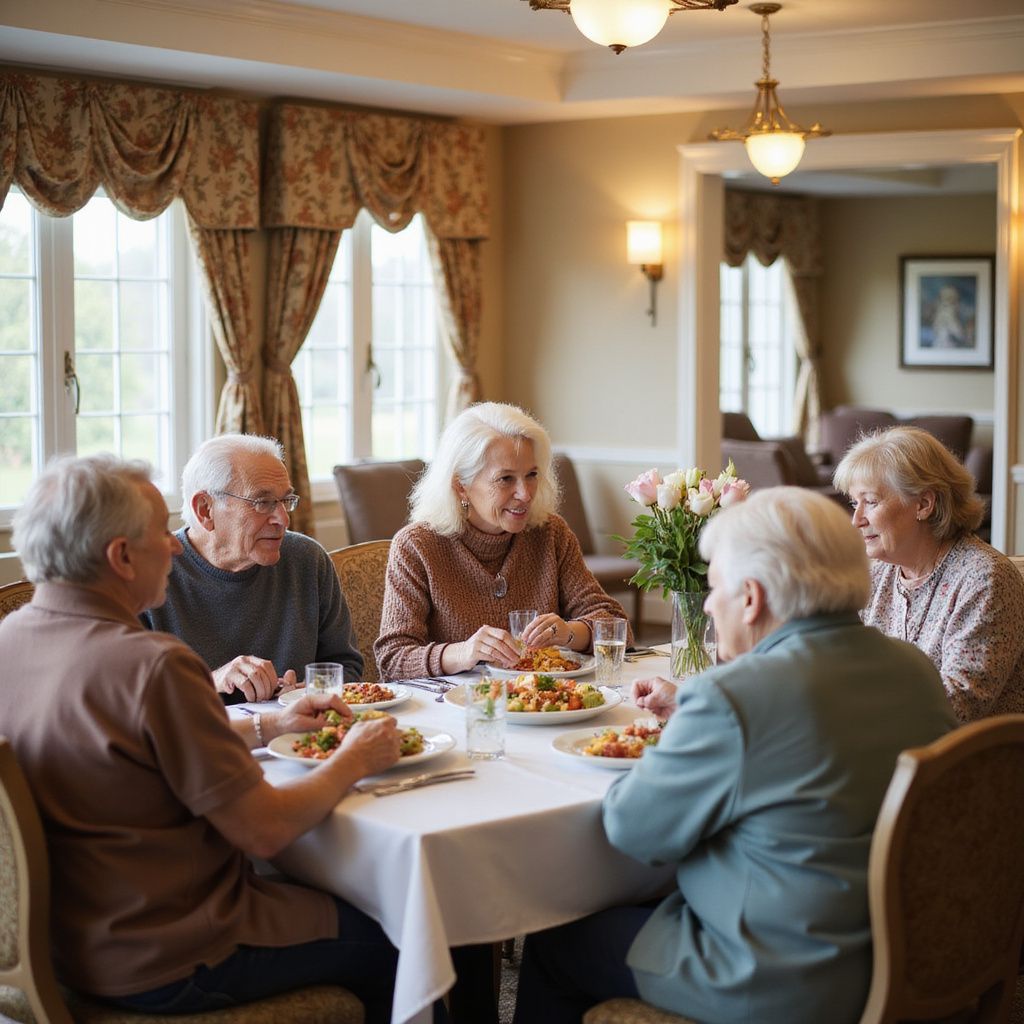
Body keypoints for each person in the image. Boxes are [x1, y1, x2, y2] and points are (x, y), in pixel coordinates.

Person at [513, 487, 956, 1024]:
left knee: (556, 937)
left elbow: (634, 832)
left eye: (714, 587)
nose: (705, 604)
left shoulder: (732, 695)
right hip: (908, 956)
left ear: (751, 598)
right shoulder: (915, 669)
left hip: (777, 982)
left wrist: (679, 743)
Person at [0, 454, 407, 1023]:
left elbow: (133, 750)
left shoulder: (10, 638)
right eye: (156, 535)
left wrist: (271, 724)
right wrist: (355, 759)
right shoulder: (152, 666)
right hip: (172, 953)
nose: (173, 546)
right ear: (120, 557)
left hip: (62, 942)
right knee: (403, 934)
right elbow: (266, 831)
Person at [375, 401, 631, 680]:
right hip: (462, 711)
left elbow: (617, 628)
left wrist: (568, 633)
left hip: (547, 710)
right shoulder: (417, 546)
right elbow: (393, 659)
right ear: (461, 485)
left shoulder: (550, 534)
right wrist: (464, 652)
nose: (525, 494)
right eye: (506, 479)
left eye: (531, 475)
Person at [143, 433, 363, 704]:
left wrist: (305, 691)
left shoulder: (306, 559)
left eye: (286, 501)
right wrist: (212, 680)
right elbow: (132, 699)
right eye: (263, 502)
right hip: (195, 742)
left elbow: (345, 665)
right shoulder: (151, 573)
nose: (283, 519)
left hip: (297, 739)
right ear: (205, 509)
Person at [834, 425, 1024, 721]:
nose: (856, 519)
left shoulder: (984, 579)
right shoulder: (879, 574)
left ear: (923, 503)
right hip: (888, 742)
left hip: (969, 760)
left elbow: (959, 705)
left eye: (870, 502)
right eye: (853, 503)